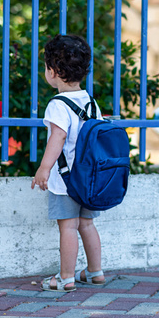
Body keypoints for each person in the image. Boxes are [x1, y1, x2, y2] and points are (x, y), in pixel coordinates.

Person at [31, 34, 106, 292]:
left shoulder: (57, 105)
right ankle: (95, 272)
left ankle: (66, 278)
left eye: (46, 67)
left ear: (53, 71)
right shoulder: (90, 102)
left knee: (68, 227)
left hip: (65, 180)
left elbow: (59, 136)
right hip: (88, 178)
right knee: (87, 224)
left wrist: (44, 168)